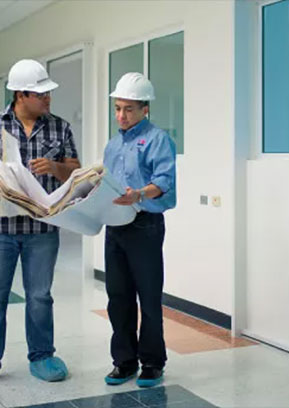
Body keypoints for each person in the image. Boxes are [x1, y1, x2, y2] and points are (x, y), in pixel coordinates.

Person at [0, 59, 81, 389]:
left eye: (48, 94)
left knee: (40, 296)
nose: (48, 99)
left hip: (42, 229)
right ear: (21, 94)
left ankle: (42, 355)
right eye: (41, 94)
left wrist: (55, 168)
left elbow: (74, 168)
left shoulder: (60, 127)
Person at [103, 72, 176, 388]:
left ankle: (152, 363)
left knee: (147, 296)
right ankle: (124, 361)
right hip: (115, 227)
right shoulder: (113, 144)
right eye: (118, 108)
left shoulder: (158, 139)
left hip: (144, 225)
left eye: (129, 109)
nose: (121, 115)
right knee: (117, 297)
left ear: (145, 109)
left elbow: (165, 181)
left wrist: (139, 194)